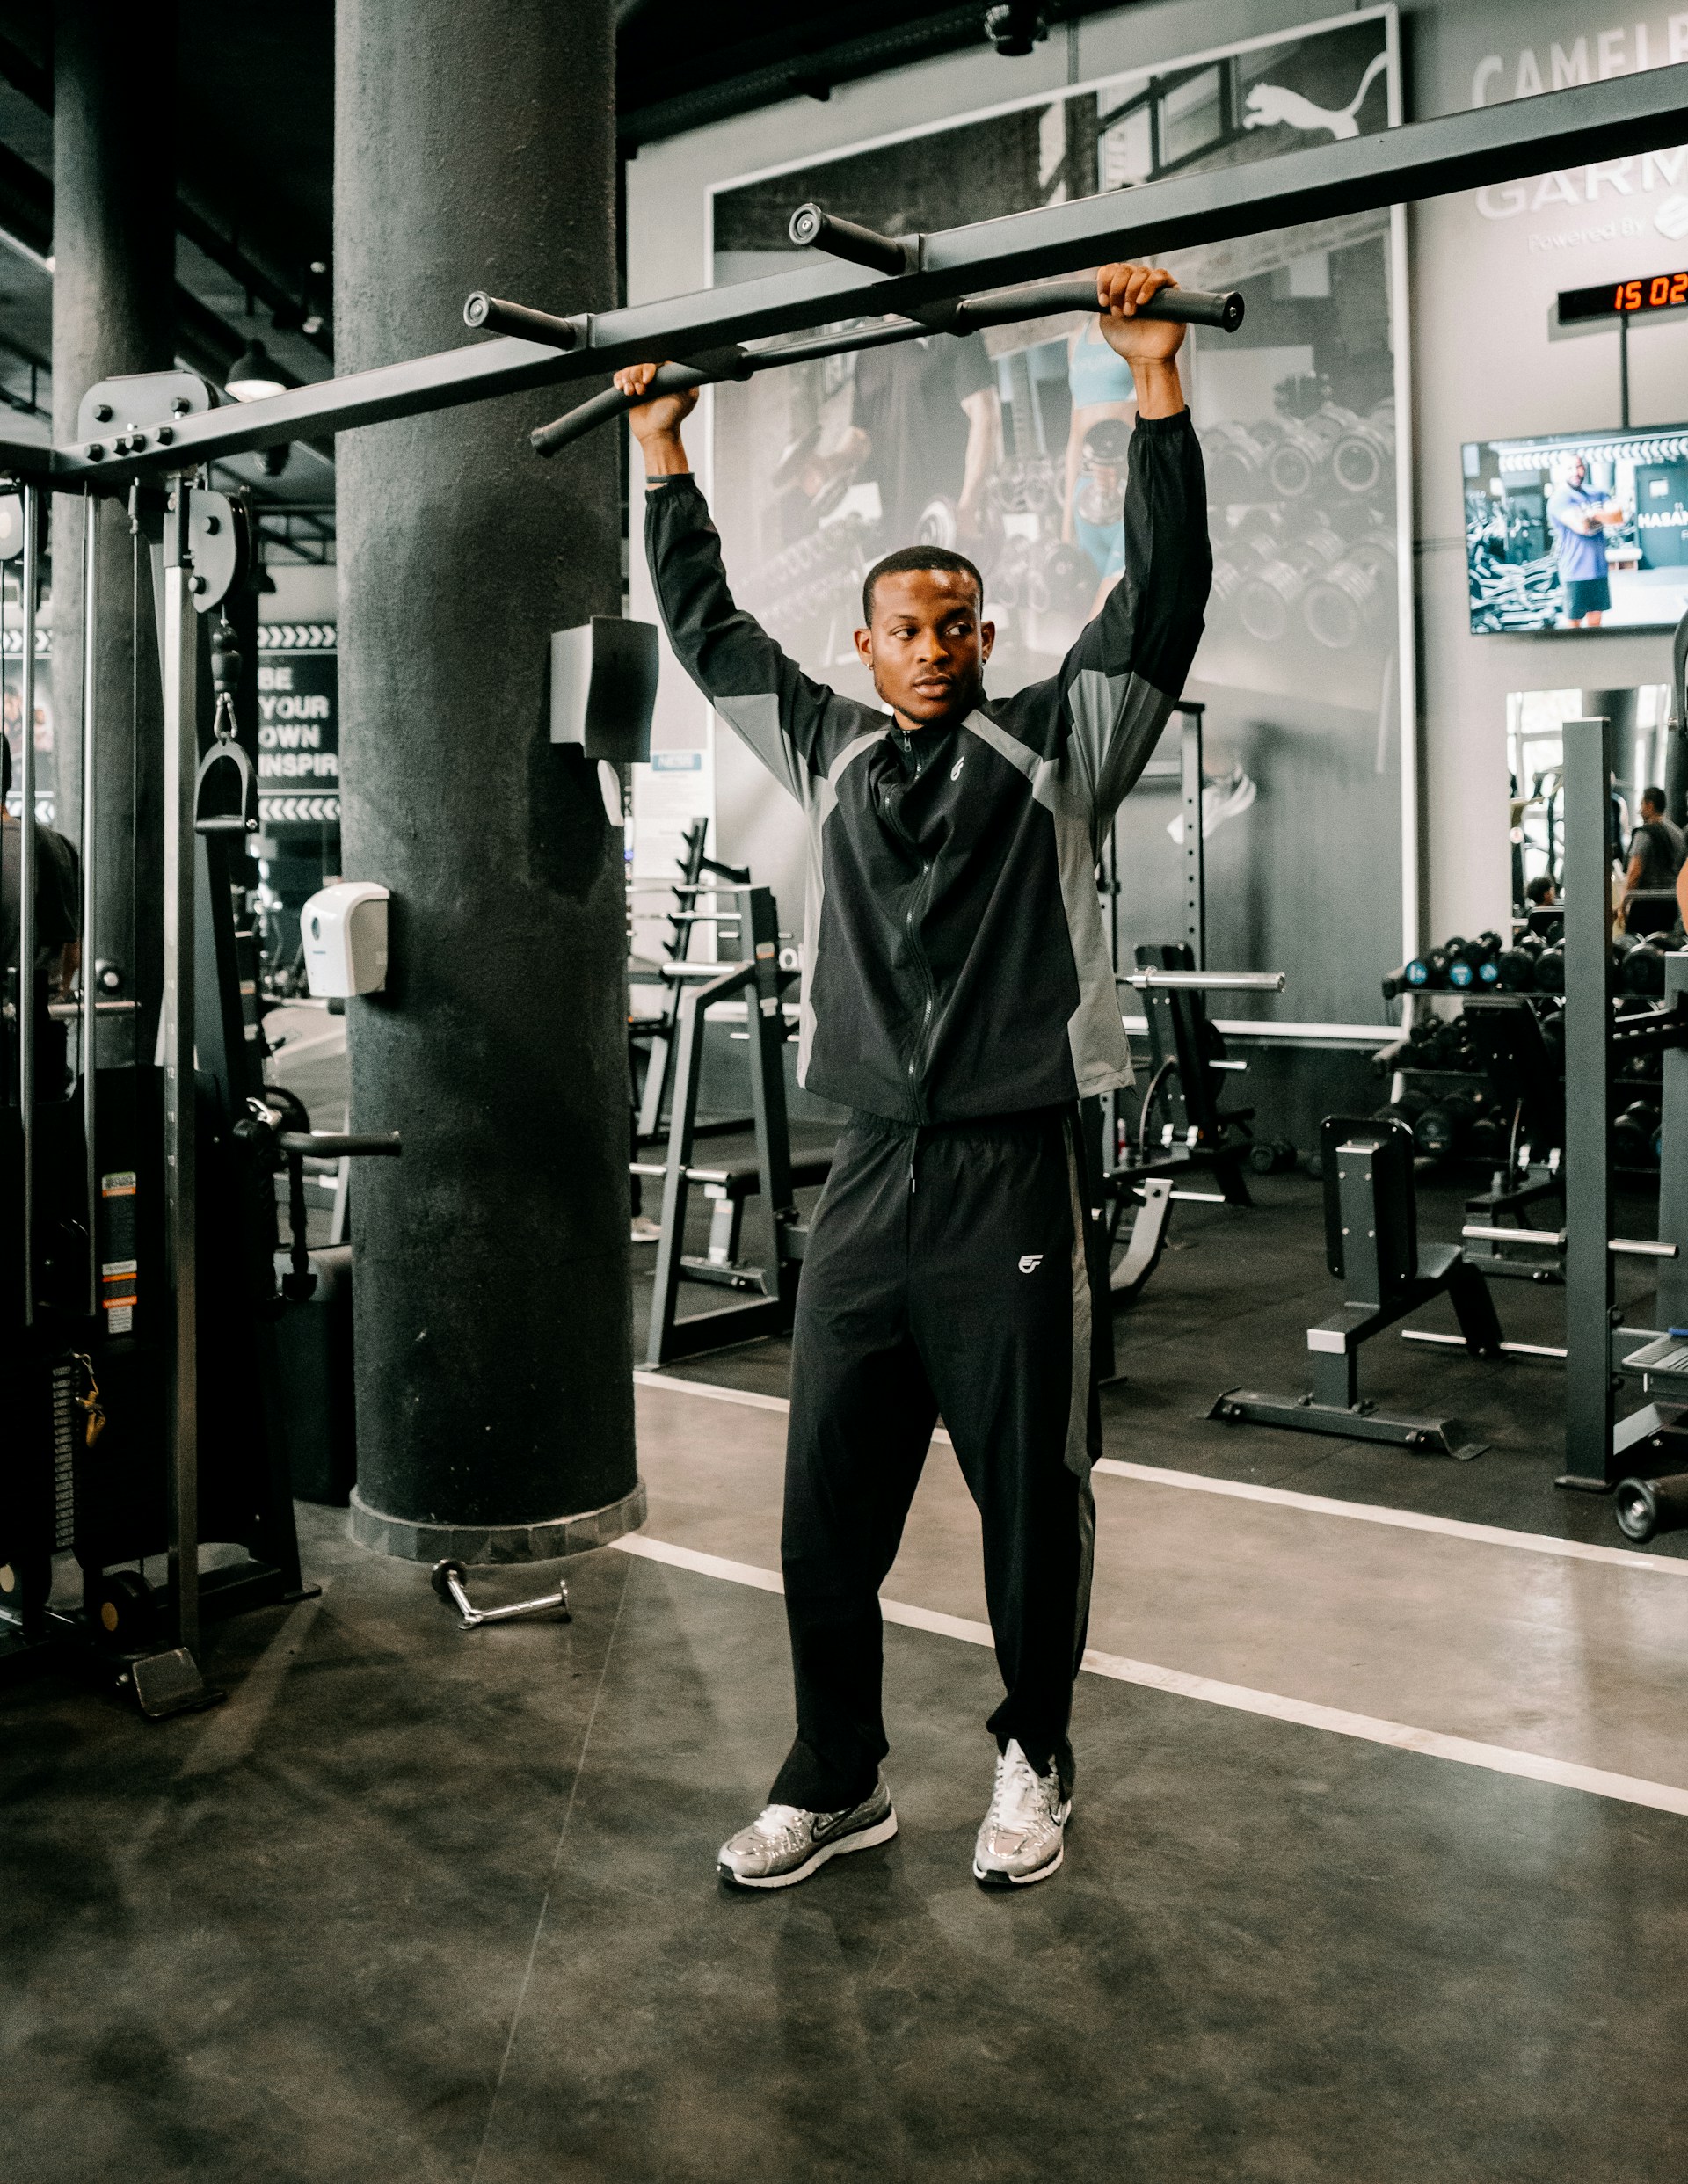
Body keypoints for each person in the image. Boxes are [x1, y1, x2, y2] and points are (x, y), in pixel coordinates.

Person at [615, 260, 1210, 1894]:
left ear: (985, 635)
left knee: (1031, 1501)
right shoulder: (830, 751)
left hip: (1017, 1173)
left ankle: (1034, 1751)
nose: (933, 647)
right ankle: (837, 1768)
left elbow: (1162, 599)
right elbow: (708, 626)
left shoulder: (1063, 747)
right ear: (867, 645)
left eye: (957, 625)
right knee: (825, 1510)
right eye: (905, 627)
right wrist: (661, 451)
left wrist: (1156, 387)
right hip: (872, 1175)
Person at [1546, 452, 1624, 629]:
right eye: (1570, 468)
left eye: (1579, 466)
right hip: (1574, 572)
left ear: (1584, 468)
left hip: (1598, 570)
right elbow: (1582, 526)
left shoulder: (1597, 493)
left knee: (1596, 622)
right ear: (1562, 472)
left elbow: (1618, 517)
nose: (1575, 471)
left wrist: (1591, 514)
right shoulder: (1560, 498)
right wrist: (1601, 515)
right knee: (1574, 625)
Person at [1619, 784, 1686, 935]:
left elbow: (1634, 873)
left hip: (1645, 905)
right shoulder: (1678, 835)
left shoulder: (1644, 834)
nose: (1639, 810)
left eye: (1641, 804)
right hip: (1670, 904)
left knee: (1638, 952)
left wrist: (1624, 903)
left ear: (1650, 805)